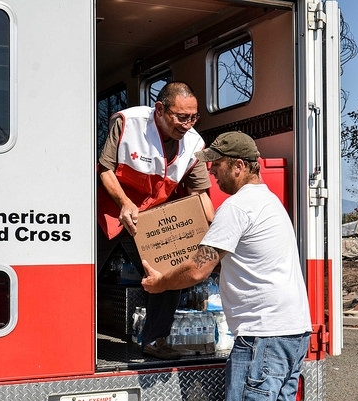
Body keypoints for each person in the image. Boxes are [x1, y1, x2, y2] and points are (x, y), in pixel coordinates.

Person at [141, 131, 312, 401]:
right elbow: (244, 264)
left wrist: (160, 283)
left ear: (238, 166)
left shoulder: (237, 207)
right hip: (293, 333)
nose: (212, 174)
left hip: (263, 337)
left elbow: (198, 269)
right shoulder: (269, 203)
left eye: (216, 165)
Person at [97, 81, 215, 359]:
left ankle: (155, 340)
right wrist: (124, 203)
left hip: (151, 221)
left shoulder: (195, 145)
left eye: (193, 117)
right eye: (181, 117)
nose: (188, 124)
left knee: (170, 274)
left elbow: (200, 195)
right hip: (110, 213)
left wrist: (216, 233)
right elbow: (105, 169)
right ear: (160, 109)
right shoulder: (128, 122)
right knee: (83, 274)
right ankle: (71, 337)